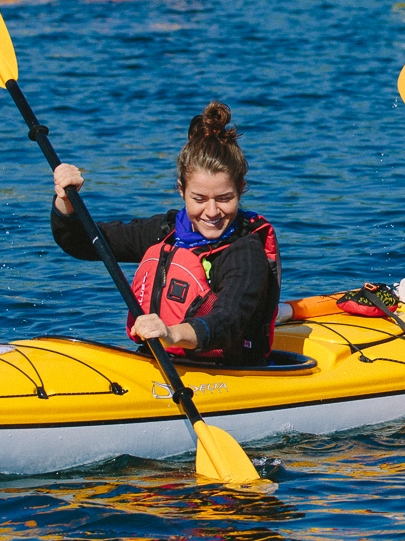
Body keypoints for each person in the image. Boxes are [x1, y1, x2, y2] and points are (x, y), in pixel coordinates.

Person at [48, 102, 280, 366]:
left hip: (228, 371)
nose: (212, 211)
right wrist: (66, 202)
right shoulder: (167, 232)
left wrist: (171, 334)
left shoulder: (244, 253)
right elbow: (84, 243)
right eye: (199, 198)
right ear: (181, 190)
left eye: (225, 198)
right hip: (161, 361)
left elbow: (227, 321)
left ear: (241, 189)